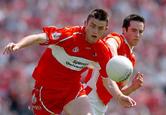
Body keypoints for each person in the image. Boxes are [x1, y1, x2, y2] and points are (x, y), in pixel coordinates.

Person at [3, 9, 136, 115]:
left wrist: (119, 96)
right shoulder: (69, 35)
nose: (95, 31)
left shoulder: (102, 50)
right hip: (47, 91)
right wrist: (18, 45)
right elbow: (38, 38)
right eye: (93, 26)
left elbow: (107, 81)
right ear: (85, 23)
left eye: (100, 28)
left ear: (105, 29)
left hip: (72, 89)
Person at [83, 14, 145, 115]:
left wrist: (133, 87)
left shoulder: (131, 59)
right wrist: (115, 59)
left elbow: (118, 91)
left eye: (140, 31)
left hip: (101, 106)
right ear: (124, 30)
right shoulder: (118, 39)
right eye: (134, 30)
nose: (137, 34)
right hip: (89, 96)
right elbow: (110, 44)